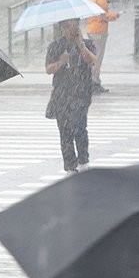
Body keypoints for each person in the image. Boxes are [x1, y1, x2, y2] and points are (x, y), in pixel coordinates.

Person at [45, 19, 98, 176]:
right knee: (65, 132)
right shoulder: (55, 46)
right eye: (66, 26)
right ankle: (70, 166)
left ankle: (83, 161)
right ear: (61, 28)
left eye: (72, 25)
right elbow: (48, 69)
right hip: (62, 94)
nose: (69, 29)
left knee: (80, 128)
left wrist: (81, 45)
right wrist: (61, 62)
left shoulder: (87, 44)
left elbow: (92, 61)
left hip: (81, 93)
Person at [86, 0, 120, 93]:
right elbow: (103, 16)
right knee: (98, 57)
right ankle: (94, 81)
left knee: (93, 55)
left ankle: (92, 79)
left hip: (91, 29)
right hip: (99, 31)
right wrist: (115, 16)